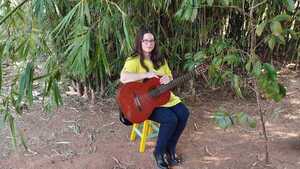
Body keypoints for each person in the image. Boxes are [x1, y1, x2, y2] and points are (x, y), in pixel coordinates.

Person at [119, 27, 190, 169]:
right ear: (140, 42)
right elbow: (124, 77)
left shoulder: (160, 59)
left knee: (184, 113)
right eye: (146, 40)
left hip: (164, 97)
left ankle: (170, 149)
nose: (149, 43)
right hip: (143, 104)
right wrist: (146, 75)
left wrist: (167, 79)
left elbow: (170, 77)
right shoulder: (134, 60)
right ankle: (158, 153)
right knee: (171, 119)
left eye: (151, 40)